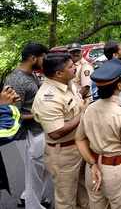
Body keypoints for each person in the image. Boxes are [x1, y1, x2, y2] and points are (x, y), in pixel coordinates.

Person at [75, 59, 121, 209]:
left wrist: (92, 163)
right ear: (120, 85)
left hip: (94, 169)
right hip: (117, 172)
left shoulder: (89, 109)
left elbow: (79, 139)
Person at [32, 53, 89, 209]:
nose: (75, 68)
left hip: (79, 147)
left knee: (84, 193)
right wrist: (83, 114)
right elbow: (56, 132)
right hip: (64, 154)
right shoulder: (48, 97)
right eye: (70, 67)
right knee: (66, 200)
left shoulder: (68, 83)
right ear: (58, 73)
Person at [4, 42, 51, 209]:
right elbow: (12, 114)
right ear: (33, 58)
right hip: (27, 134)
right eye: (42, 58)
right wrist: (40, 114)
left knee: (42, 170)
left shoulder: (31, 74)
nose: (44, 62)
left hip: (39, 131)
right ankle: (32, 204)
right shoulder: (16, 80)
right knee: (34, 175)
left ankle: (36, 199)